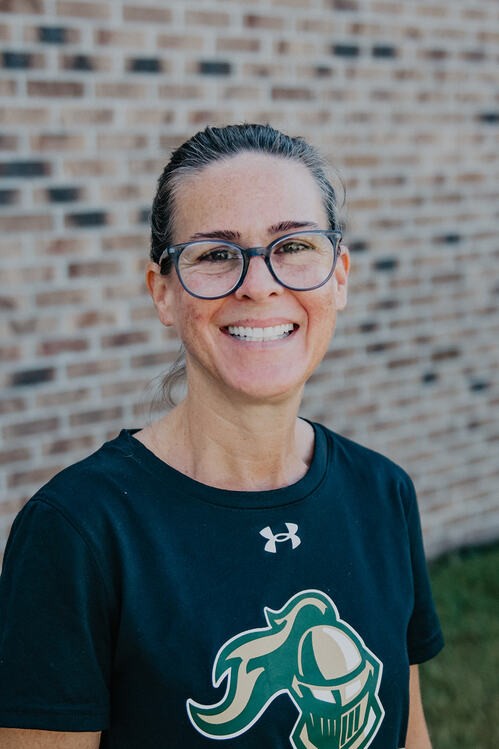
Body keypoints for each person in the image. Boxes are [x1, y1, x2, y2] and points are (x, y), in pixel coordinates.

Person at [0, 123, 443, 749]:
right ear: (163, 292)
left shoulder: (384, 494)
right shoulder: (78, 532)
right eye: (214, 254)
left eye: (295, 246)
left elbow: (409, 733)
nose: (259, 285)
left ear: (339, 276)